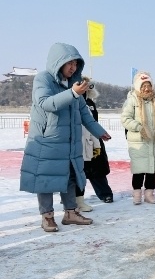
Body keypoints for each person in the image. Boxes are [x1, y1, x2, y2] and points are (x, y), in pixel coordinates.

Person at [20, 43, 111, 232]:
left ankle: (71, 213)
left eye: (76, 64)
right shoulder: (43, 79)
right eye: (70, 63)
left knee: (70, 176)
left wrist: (98, 130)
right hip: (47, 141)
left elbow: (83, 112)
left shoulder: (73, 84)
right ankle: (47, 216)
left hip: (69, 141)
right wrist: (72, 93)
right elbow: (46, 103)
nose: (73, 68)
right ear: (58, 62)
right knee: (46, 179)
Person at [121, 71, 155, 205]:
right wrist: (139, 127)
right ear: (138, 87)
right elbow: (125, 118)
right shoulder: (132, 100)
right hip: (139, 141)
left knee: (152, 170)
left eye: (148, 85)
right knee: (139, 170)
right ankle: (136, 193)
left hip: (154, 140)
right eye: (143, 86)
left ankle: (149, 193)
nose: (146, 88)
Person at [75, 76, 114, 212]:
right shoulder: (71, 101)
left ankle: (105, 194)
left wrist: (99, 134)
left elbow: (93, 121)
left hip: (93, 140)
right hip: (78, 141)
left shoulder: (90, 102)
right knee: (79, 171)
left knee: (97, 169)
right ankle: (76, 199)